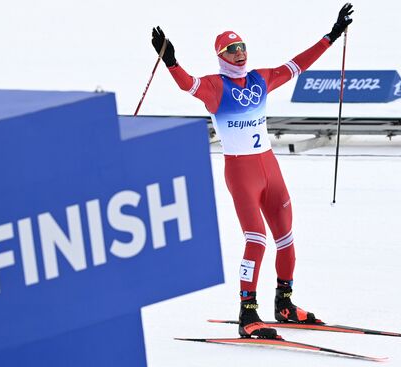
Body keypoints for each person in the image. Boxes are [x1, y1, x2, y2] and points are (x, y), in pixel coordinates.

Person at [151, 3, 354, 339]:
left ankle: (285, 303)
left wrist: (330, 36)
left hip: (269, 167)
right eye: (232, 50)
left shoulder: (260, 79)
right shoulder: (215, 87)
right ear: (221, 56)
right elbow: (188, 85)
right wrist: (170, 61)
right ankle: (248, 312)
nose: (240, 53)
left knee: (286, 236)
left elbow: (296, 65)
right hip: (242, 172)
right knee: (256, 239)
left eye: (242, 47)